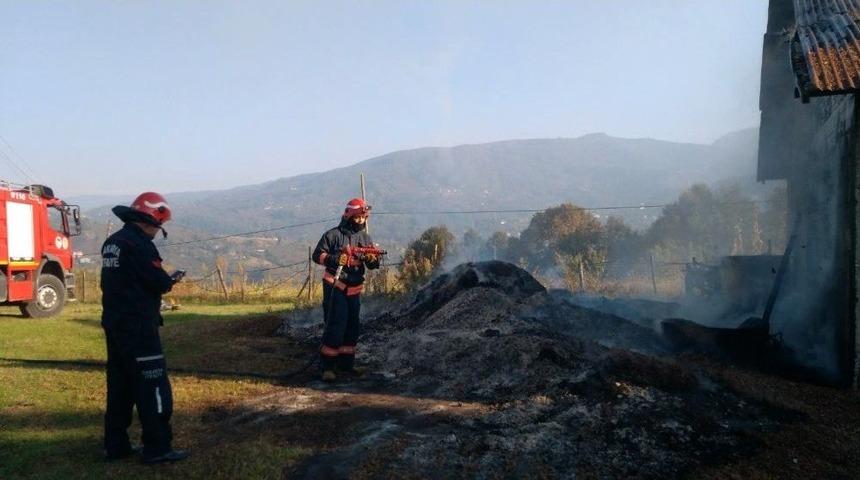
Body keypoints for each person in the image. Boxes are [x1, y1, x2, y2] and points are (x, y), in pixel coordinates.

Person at [100, 192, 188, 464]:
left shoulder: (112, 243)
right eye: (157, 226)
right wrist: (169, 280)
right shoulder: (139, 245)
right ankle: (158, 447)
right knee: (154, 386)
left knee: (120, 387)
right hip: (139, 327)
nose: (156, 232)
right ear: (150, 219)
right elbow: (158, 281)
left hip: (115, 325)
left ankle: (116, 446)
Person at [312, 198, 380, 381]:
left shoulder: (365, 238)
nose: (361, 221)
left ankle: (346, 365)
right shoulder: (332, 235)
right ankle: (327, 367)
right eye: (358, 218)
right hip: (336, 287)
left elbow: (373, 264)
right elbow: (317, 255)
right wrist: (335, 260)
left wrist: (373, 260)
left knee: (352, 327)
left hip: (355, 289)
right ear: (349, 216)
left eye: (364, 218)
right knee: (336, 325)